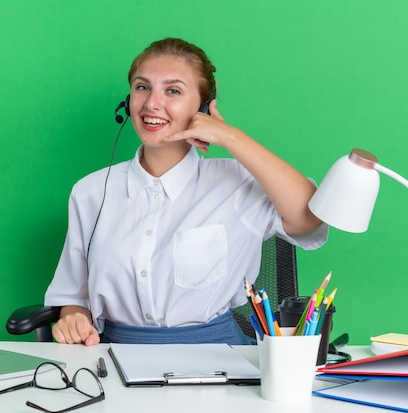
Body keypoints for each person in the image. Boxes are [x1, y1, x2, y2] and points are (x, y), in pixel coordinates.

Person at [44, 37, 327, 346]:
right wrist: (73, 319)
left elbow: (309, 217)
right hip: (113, 359)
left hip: (217, 360)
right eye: (142, 87)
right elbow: (73, 296)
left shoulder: (239, 182)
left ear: (203, 107)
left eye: (173, 91)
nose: (152, 103)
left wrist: (230, 136)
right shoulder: (91, 192)